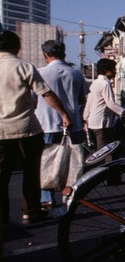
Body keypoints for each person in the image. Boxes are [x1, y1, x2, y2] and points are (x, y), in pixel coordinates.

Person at [0, 30, 72, 224]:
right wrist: (63, 114)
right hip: (26, 128)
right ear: (17, 47)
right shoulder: (23, 66)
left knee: (1, 177)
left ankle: (2, 216)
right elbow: (46, 93)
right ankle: (31, 210)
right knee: (31, 172)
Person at [35, 40, 87, 217]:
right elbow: (82, 99)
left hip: (46, 123)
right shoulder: (75, 73)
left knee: (46, 162)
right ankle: (70, 193)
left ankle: (46, 197)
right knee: (73, 162)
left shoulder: (40, 73)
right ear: (64, 53)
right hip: (74, 124)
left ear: (45, 54)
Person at [84, 58, 125, 165]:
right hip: (102, 123)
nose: (115, 72)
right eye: (113, 69)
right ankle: (109, 177)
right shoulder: (105, 83)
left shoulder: (95, 83)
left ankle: (109, 177)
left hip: (93, 123)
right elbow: (111, 104)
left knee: (101, 151)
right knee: (107, 152)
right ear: (107, 71)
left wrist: (85, 118)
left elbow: (88, 103)